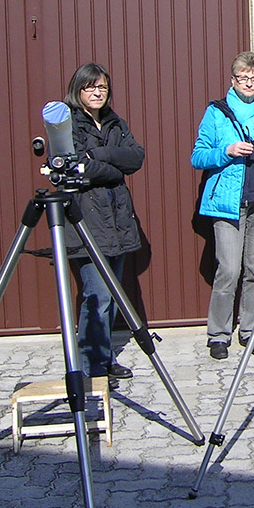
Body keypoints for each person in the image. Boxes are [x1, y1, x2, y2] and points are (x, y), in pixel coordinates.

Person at [191, 52, 254, 360]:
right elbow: (198, 156)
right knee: (229, 270)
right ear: (233, 80)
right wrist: (227, 150)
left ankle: (250, 331)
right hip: (228, 204)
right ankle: (219, 334)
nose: (249, 83)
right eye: (244, 78)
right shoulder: (216, 113)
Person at [65, 62, 145, 390]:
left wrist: (100, 156)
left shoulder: (115, 122)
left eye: (102, 87)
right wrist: (112, 165)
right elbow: (77, 167)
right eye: (90, 87)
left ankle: (105, 359)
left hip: (117, 221)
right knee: (95, 296)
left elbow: (136, 158)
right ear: (78, 90)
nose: (98, 93)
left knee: (112, 295)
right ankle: (87, 370)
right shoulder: (68, 122)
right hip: (87, 221)